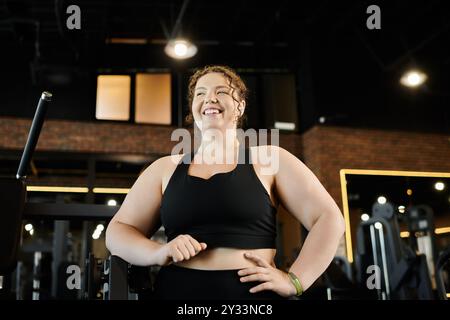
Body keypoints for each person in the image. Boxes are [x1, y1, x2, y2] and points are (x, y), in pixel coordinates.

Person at [105, 65, 346, 300]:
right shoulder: (164, 169)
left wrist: (296, 280)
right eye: (201, 93)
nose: (210, 98)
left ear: (240, 106)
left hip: (251, 298)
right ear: (193, 107)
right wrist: (157, 252)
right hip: (177, 293)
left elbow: (329, 218)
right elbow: (118, 231)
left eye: (220, 91)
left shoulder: (270, 160)